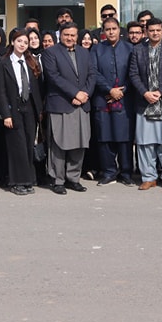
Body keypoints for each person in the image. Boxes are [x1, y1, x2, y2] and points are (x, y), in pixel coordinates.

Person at [41, 22, 95, 194]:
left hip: (82, 104)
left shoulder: (84, 52)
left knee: (80, 143)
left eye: (73, 35)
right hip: (61, 104)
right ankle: (58, 180)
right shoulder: (50, 53)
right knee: (59, 144)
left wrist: (85, 93)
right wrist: (75, 93)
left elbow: (92, 74)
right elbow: (53, 77)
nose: (70, 38)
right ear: (60, 35)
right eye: (66, 35)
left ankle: (74, 178)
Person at [129, 18, 162, 190]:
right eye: (151, 30)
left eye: (158, 30)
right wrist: (145, 93)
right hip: (144, 102)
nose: (155, 33)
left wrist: (160, 92)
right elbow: (133, 74)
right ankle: (148, 177)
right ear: (146, 32)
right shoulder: (138, 50)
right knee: (145, 142)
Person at [0, 28, 43, 195]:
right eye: (19, 41)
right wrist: (6, 115)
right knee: (17, 146)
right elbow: (1, 91)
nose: (22, 44)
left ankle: (28, 180)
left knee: (28, 143)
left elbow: (36, 89)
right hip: (13, 108)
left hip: (29, 107)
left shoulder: (31, 62)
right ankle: (16, 182)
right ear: (12, 42)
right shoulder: (4, 63)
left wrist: (39, 110)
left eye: (25, 42)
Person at [91, 17, 134, 186]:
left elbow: (134, 73)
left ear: (119, 30)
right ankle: (109, 172)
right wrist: (109, 90)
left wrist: (122, 91)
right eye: (107, 29)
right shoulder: (96, 49)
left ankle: (126, 172)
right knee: (105, 137)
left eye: (114, 28)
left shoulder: (130, 49)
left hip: (124, 99)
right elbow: (93, 72)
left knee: (124, 138)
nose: (111, 32)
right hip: (104, 99)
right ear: (103, 32)